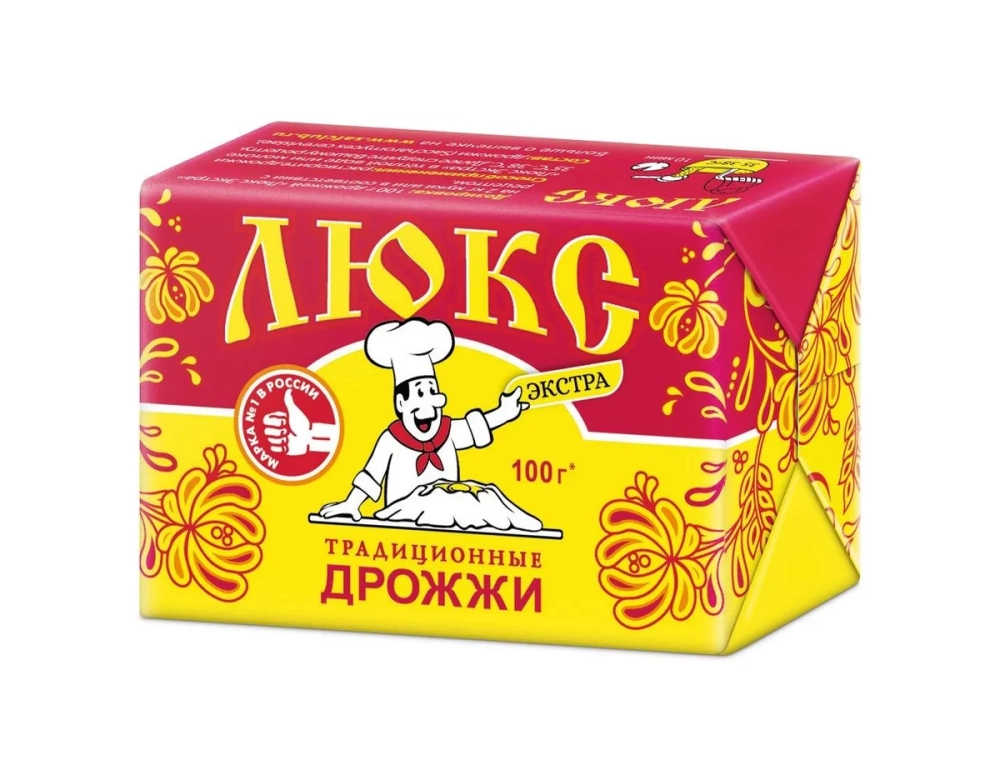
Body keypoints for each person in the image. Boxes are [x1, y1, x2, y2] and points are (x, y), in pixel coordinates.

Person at [317, 318, 527, 520]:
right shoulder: (391, 440)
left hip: (447, 522)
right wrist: (352, 504)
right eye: (419, 393)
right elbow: (372, 474)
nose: (429, 402)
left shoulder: (448, 433)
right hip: (400, 522)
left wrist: (504, 413)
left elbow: (474, 428)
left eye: (432, 391)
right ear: (401, 403)